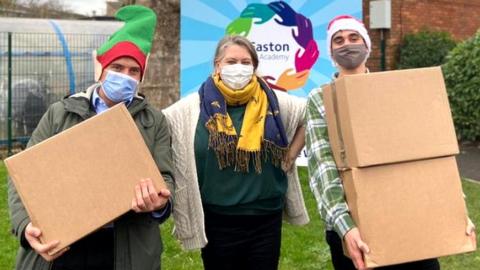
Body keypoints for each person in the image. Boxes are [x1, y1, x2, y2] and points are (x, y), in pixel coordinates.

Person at [8, 5, 174, 270]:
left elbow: (166, 178)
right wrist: (26, 225)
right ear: (101, 69)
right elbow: (24, 177)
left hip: (122, 244)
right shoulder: (60, 113)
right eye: (117, 67)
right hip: (64, 244)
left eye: (134, 71)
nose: (125, 76)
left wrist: (159, 203)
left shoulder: (153, 121)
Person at [305, 15, 476, 270]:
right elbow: (323, 167)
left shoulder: (393, 90)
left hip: (410, 215)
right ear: (330, 50)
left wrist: (455, 210)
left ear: (366, 45)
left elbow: (429, 153)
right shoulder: (320, 99)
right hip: (356, 230)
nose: (346, 45)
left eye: (354, 38)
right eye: (338, 40)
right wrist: (345, 225)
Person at [162, 35, 309, 270]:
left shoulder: (274, 101)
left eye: (245, 62)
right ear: (217, 65)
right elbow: (157, 128)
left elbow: (312, 114)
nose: (238, 68)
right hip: (217, 221)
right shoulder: (191, 109)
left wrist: (291, 155)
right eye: (231, 62)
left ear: (254, 67)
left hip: (266, 219)